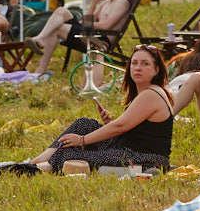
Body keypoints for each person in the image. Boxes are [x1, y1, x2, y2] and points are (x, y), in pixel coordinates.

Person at [16, 44, 174, 174]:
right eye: (134, 63)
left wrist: (82, 140)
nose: (138, 68)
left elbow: (120, 126)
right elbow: (135, 131)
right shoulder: (142, 92)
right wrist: (106, 125)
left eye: (145, 64)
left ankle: (32, 169)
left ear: (156, 70)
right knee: (83, 124)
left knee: (70, 153)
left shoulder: (151, 94)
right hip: (126, 148)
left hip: (144, 159)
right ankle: (34, 163)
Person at [26, 0, 130, 76]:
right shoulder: (105, 3)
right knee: (61, 11)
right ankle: (40, 38)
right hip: (90, 33)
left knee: (57, 28)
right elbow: (87, 21)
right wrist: (94, 2)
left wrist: (83, 25)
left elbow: (106, 25)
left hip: (100, 39)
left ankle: (40, 69)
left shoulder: (122, 3)